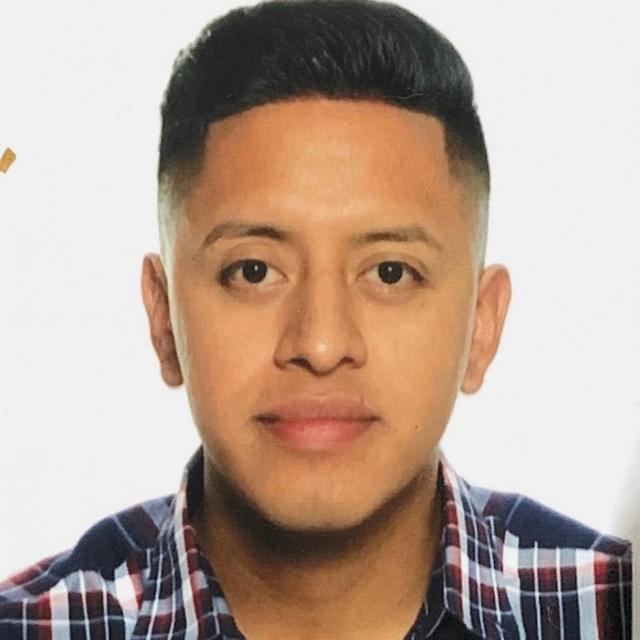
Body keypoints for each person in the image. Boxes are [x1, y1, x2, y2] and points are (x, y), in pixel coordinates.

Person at [0, 1, 631, 638]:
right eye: (253, 271)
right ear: (163, 319)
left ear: (481, 326)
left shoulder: (616, 611)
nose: (322, 344)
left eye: (391, 273)